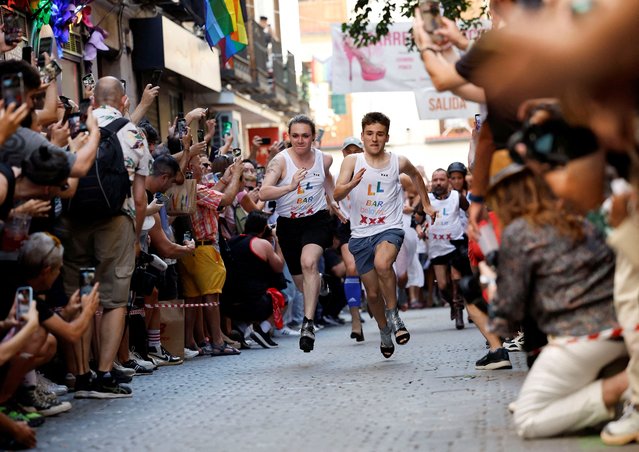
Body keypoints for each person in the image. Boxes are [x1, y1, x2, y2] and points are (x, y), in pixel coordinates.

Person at [486, 154, 629, 439]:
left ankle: (625, 384)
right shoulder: (579, 217)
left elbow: (508, 312)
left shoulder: (520, 231)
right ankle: (622, 397)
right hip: (622, 332)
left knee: (527, 419)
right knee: (559, 401)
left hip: (579, 338)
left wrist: (493, 296)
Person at [58, 76, 152, 399]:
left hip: (74, 220)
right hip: (115, 222)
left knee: (80, 295)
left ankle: (81, 376)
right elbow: (140, 199)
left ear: (94, 100)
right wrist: (136, 237)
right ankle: (104, 373)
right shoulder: (134, 133)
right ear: (124, 101)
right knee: (112, 299)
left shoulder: (75, 125)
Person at [334, 112, 436, 358]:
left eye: (380, 134)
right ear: (362, 136)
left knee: (383, 263)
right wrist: (350, 185)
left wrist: (427, 203)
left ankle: (394, 315)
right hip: (359, 234)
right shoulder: (352, 162)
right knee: (372, 294)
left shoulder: (397, 161)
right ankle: (383, 330)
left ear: (387, 136)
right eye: (370, 134)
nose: (374, 138)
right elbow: (336, 194)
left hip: (389, 227)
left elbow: (415, 176)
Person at [259, 114, 343, 353]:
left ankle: (308, 325)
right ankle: (320, 281)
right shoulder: (280, 162)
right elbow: (264, 193)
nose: (300, 140)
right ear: (288, 137)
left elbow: (327, 179)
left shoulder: (324, 159)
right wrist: (289, 186)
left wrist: (332, 199)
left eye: (305, 135)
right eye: (295, 135)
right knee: (300, 285)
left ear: (313, 137)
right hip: (288, 225)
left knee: (309, 263)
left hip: (316, 220)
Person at [221, 211, 285, 349]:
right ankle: (263, 330)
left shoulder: (231, 241)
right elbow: (279, 267)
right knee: (281, 296)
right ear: (263, 228)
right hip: (254, 304)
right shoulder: (263, 244)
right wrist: (277, 239)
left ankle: (240, 330)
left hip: (227, 305)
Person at [427, 168, 471, 330]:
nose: (438, 182)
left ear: (448, 181)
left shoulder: (456, 197)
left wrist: (472, 226)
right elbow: (416, 218)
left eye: (442, 179)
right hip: (436, 246)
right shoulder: (427, 198)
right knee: (443, 286)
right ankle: (453, 305)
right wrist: (418, 227)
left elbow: (471, 211)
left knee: (456, 277)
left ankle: (459, 312)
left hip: (455, 244)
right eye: (435, 179)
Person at [336, 137, 365, 341]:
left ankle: (375, 304)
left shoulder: (371, 171)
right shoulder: (337, 175)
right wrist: (334, 208)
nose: (352, 154)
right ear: (343, 153)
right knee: (352, 269)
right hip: (347, 226)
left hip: (371, 224)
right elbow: (329, 195)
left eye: (356, 150)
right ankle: (356, 320)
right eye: (349, 151)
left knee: (377, 270)